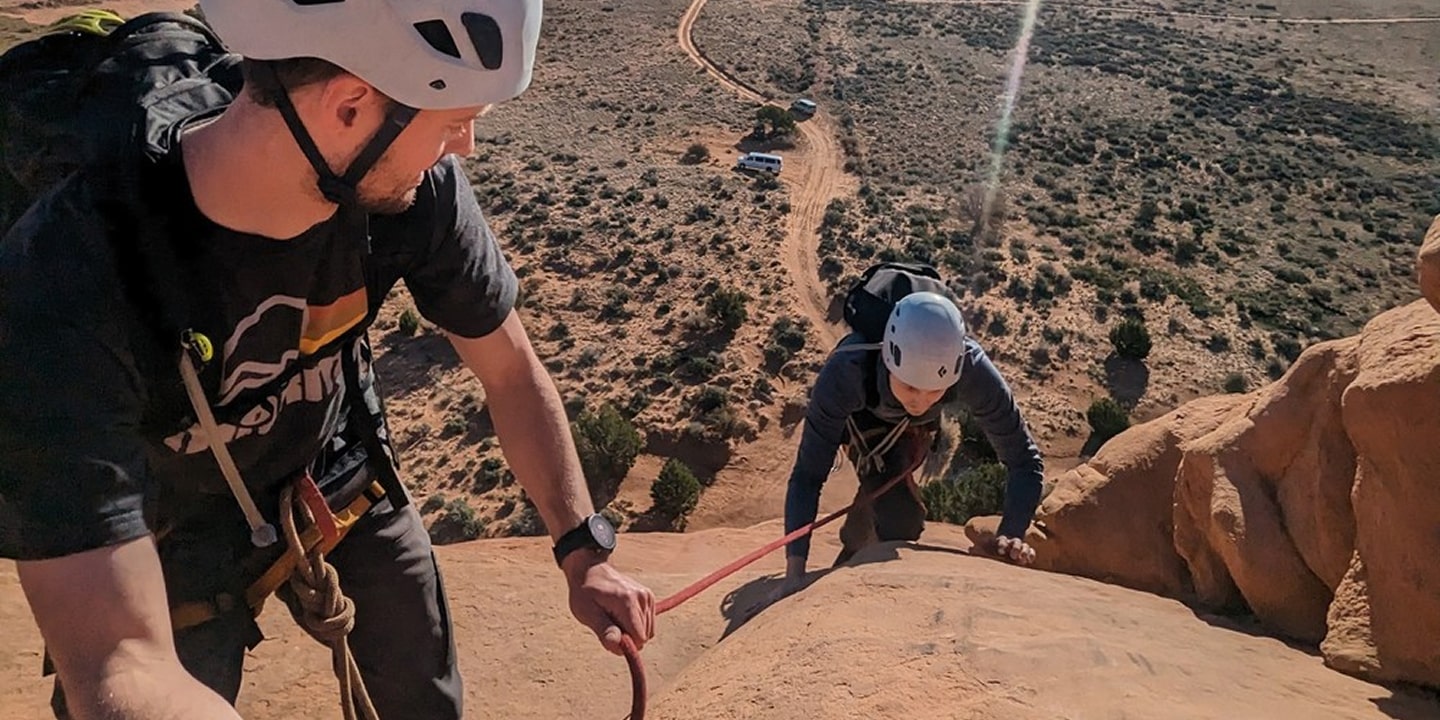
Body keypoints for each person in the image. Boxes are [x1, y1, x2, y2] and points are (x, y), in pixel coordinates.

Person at [0, 2, 654, 718]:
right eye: (452, 122)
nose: (463, 146)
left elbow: (509, 369)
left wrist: (584, 550)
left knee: (421, 695)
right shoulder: (67, 279)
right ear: (350, 105)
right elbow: (115, 662)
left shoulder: (410, 195)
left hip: (332, 468)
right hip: (170, 526)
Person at [780, 290, 1045, 595]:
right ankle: (862, 531)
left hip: (914, 429)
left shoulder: (972, 369)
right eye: (909, 386)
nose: (919, 400)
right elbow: (807, 476)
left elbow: (1025, 461)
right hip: (862, 419)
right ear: (888, 356)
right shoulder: (847, 371)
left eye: (935, 391)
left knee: (896, 516)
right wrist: (794, 572)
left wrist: (1011, 534)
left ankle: (859, 534)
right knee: (899, 521)